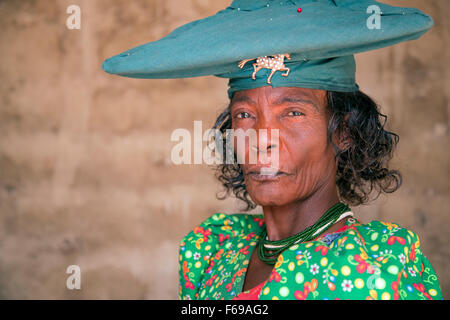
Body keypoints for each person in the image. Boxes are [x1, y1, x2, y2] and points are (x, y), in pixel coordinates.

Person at [102, 0, 443, 300]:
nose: (261, 138)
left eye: (293, 113)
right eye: (245, 115)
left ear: (342, 131)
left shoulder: (373, 275)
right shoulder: (215, 250)